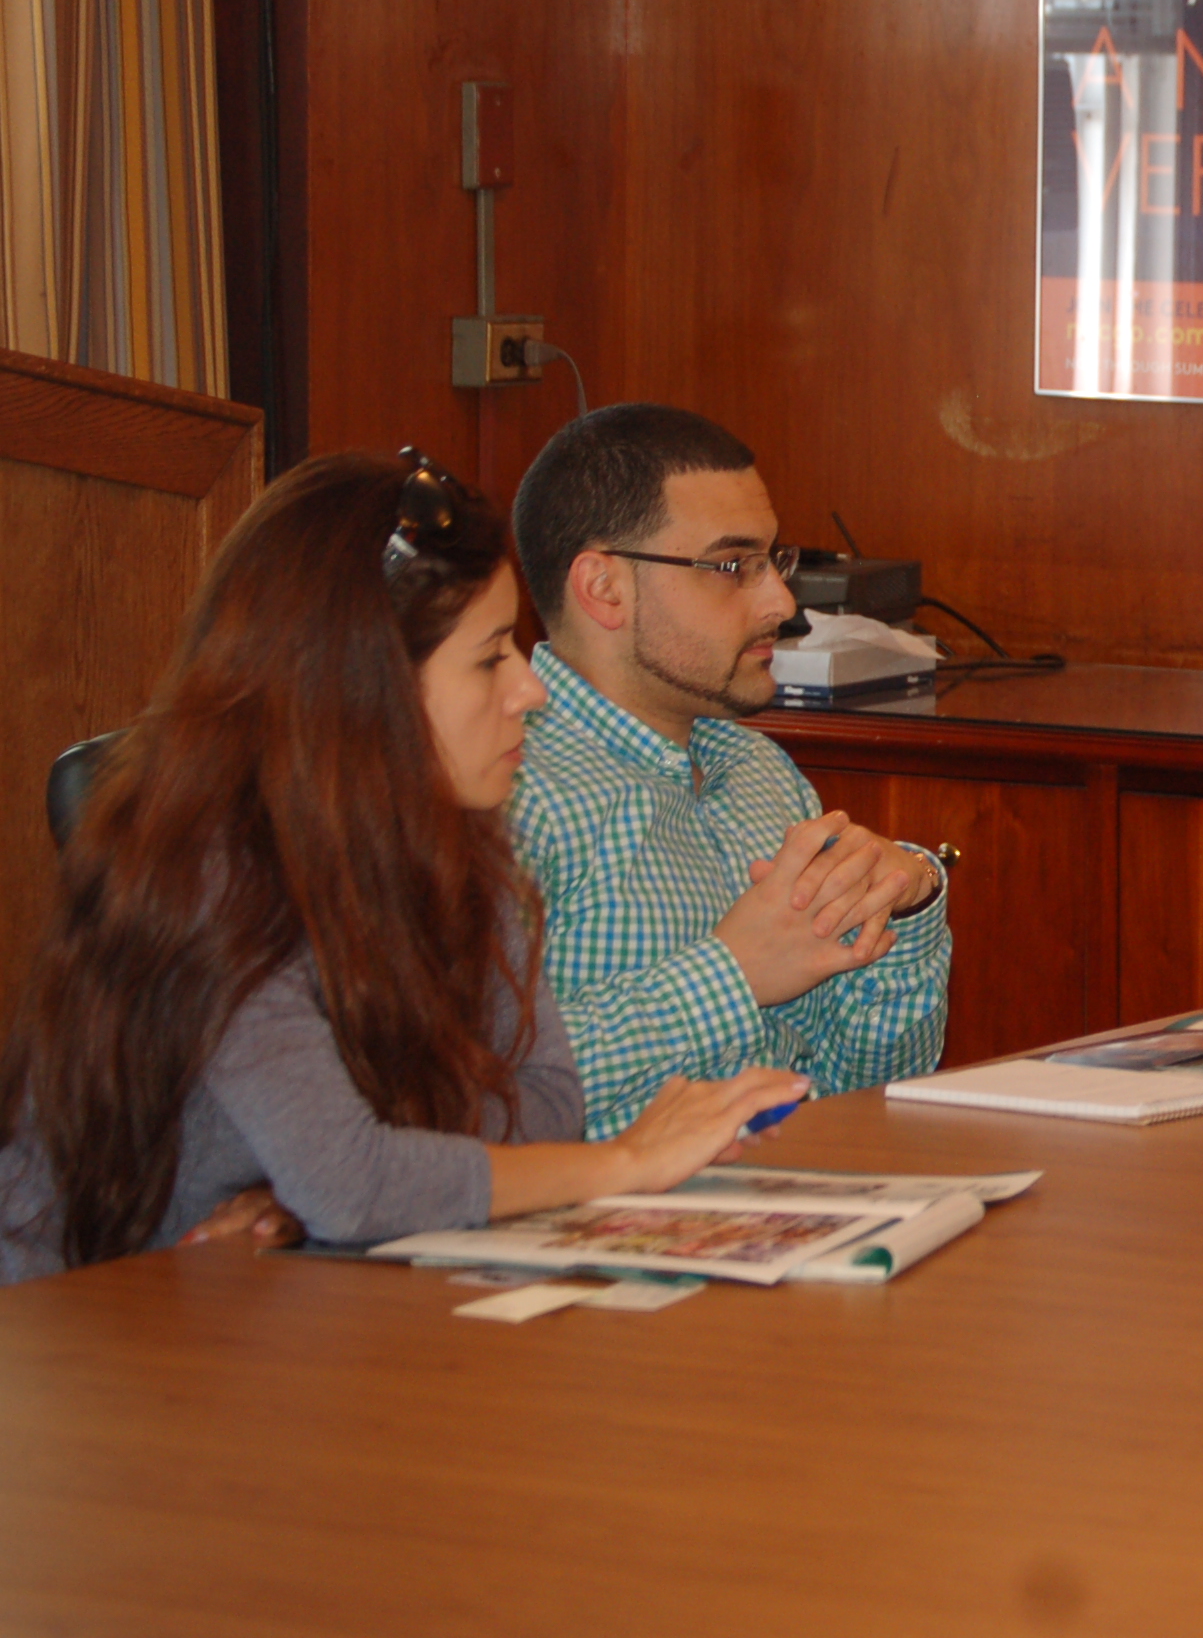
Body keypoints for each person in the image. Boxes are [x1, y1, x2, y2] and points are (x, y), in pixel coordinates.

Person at [0, 452, 804, 1283]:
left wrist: (342, 1183)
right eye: (490, 658)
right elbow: (353, 1185)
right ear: (361, 685)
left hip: (289, 1302)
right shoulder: (213, 879)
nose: (529, 690)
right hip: (88, 1318)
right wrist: (628, 1162)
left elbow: (543, 1102)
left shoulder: (465, 843)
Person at [508, 405, 950, 1138]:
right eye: (731, 566)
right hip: (596, 1205)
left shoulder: (757, 770)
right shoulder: (509, 792)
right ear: (604, 588)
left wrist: (902, 902)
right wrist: (732, 976)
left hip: (796, 1186)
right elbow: (474, 1098)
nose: (782, 601)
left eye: (774, 561)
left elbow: (863, 1092)